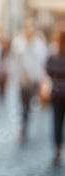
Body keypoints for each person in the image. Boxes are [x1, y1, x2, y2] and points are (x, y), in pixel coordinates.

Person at [10, 21, 48, 135]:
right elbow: (14, 62)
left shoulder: (39, 45)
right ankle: (23, 123)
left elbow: (42, 63)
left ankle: (26, 122)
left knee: (30, 103)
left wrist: (41, 79)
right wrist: (17, 78)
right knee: (22, 103)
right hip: (22, 80)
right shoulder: (18, 42)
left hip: (34, 80)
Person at [46, 29, 65, 163]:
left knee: (57, 121)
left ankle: (58, 147)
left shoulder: (53, 56)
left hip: (57, 92)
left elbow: (48, 71)